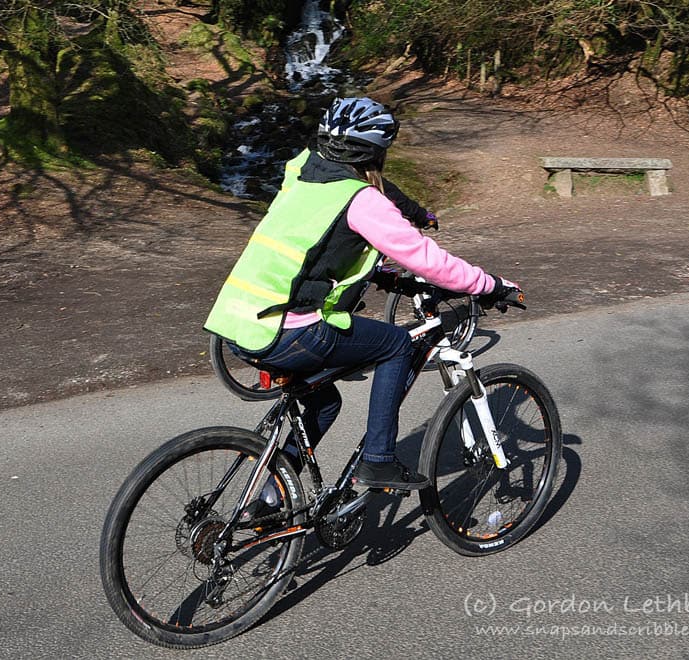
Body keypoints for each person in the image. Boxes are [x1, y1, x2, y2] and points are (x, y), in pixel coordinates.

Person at [204, 97, 519, 497]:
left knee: (323, 404)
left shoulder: (301, 173)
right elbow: (427, 259)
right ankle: (379, 461)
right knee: (397, 344)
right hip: (291, 329)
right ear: (376, 151)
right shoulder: (362, 199)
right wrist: (490, 284)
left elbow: (316, 248)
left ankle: (271, 497)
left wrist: (383, 275)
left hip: (237, 322)